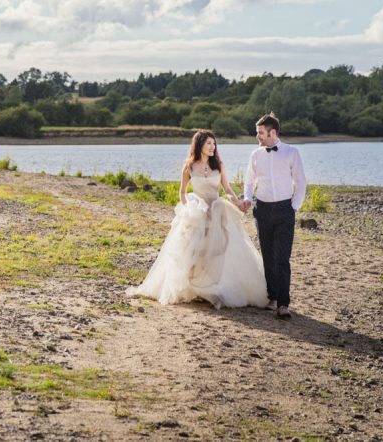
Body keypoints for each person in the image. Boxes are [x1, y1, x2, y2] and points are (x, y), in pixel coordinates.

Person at [126, 130, 268, 308]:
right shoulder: (189, 166)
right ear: (199, 144)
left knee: (218, 250)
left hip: (217, 210)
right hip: (197, 212)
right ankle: (194, 288)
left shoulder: (219, 164)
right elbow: (182, 192)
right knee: (195, 251)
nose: (212, 147)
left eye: (214, 143)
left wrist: (238, 202)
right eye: (209, 143)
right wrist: (187, 210)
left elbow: (228, 189)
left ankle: (213, 289)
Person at [241, 112, 307, 320]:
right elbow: (249, 181)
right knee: (268, 256)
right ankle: (272, 298)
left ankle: (284, 303)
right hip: (263, 210)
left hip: (285, 210)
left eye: (260, 133)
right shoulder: (255, 155)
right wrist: (248, 198)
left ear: (273, 132)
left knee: (282, 258)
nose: (257, 136)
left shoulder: (291, 153)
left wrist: (293, 206)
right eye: (257, 132)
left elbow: (301, 181)